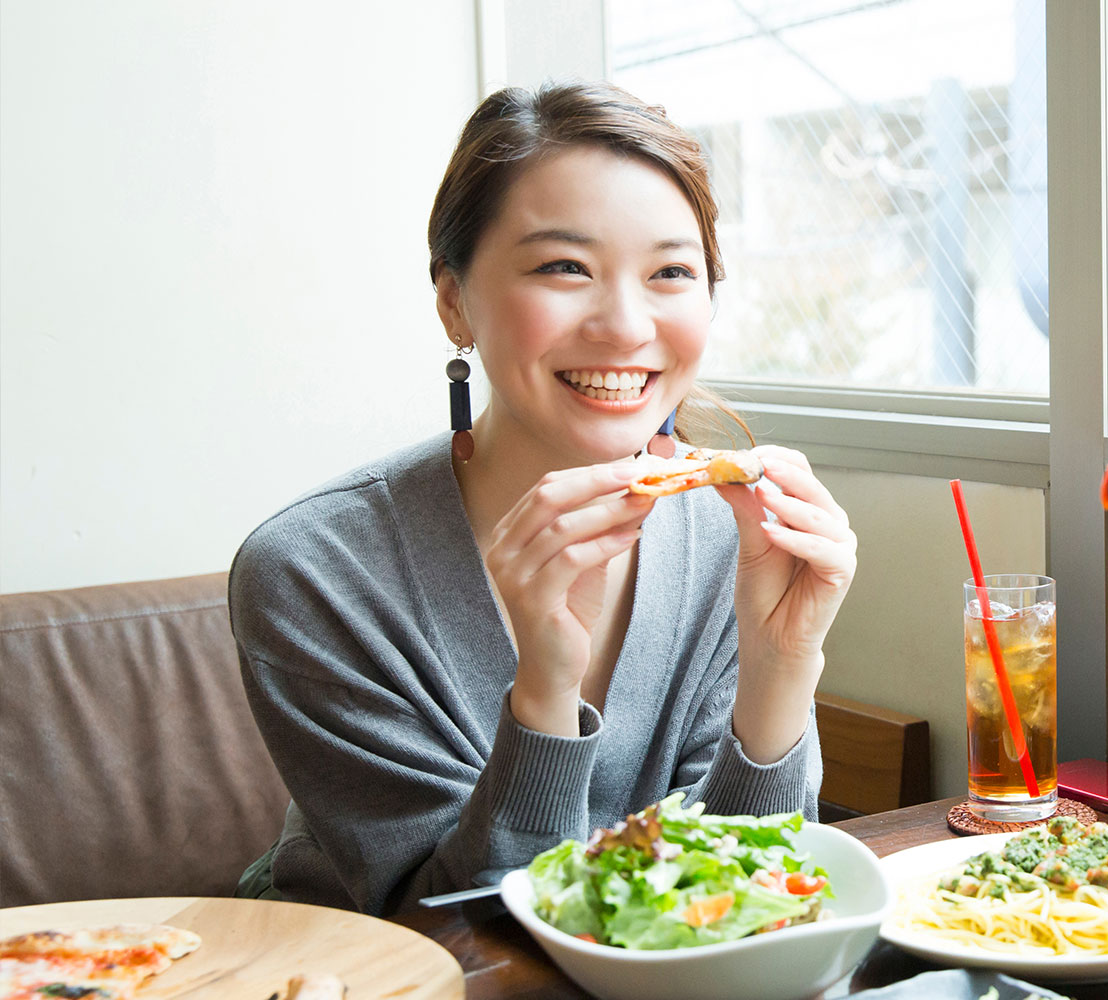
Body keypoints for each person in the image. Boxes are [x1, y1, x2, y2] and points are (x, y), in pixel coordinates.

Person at [230, 82, 855, 915]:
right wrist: (546, 689)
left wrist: (780, 667)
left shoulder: (728, 535)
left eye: (671, 271)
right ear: (455, 301)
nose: (627, 325)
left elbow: (755, 896)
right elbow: (449, 923)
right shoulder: (314, 569)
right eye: (565, 267)